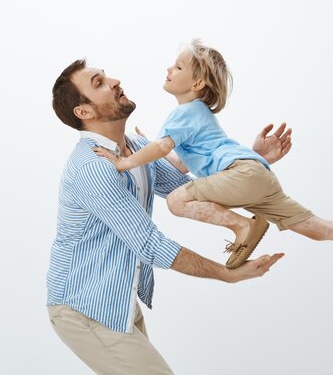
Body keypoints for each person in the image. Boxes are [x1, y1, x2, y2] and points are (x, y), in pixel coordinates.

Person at [94, 39, 333, 290]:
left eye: (178, 67)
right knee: (318, 228)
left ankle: (242, 226)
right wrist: (150, 145)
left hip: (243, 174)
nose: (168, 69)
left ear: (196, 85)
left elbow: (164, 148)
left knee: (177, 201)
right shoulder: (197, 116)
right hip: (256, 174)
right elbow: (178, 164)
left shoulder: (182, 114)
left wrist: (124, 163)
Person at [48, 59, 289, 375]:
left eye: (106, 76)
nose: (115, 80)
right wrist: (227, 274)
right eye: (99, 83)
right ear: (84, 112)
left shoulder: (134, 148)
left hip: (117, 300)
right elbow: (150, 245)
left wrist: (251, 161)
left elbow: (191, 190)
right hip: (84, 308)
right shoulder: (94, 168)